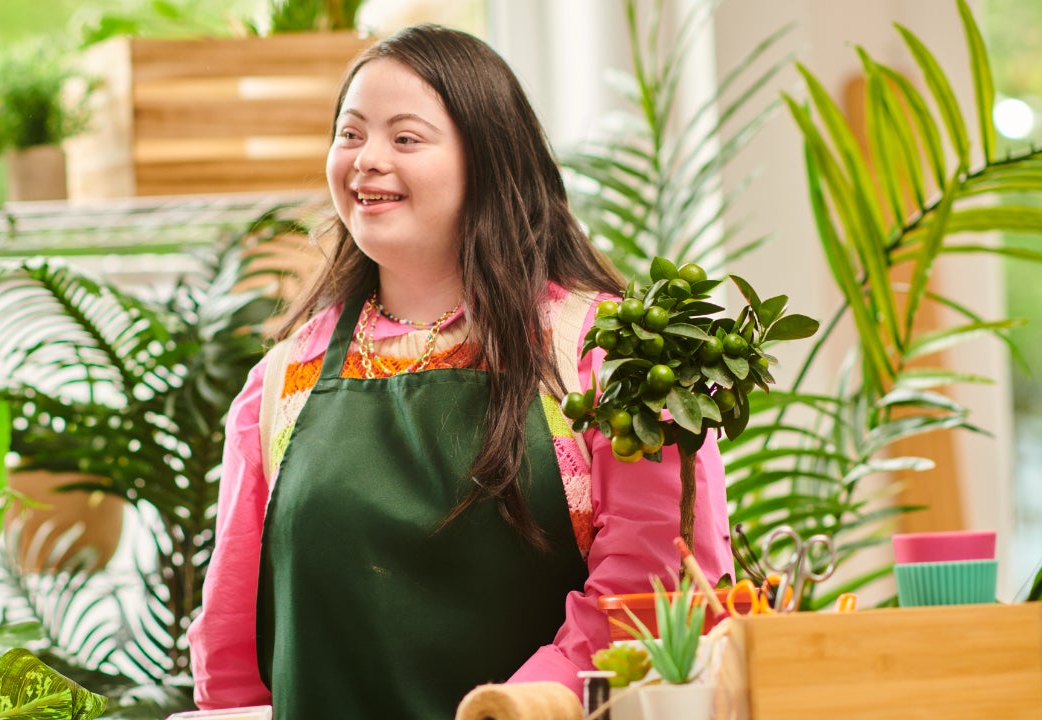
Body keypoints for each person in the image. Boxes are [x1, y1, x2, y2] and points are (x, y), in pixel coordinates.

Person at [187, 23, 731, 720]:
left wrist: (517, 706)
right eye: (350, 134)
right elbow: (234, 653)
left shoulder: (612, 357)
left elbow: (657, 600)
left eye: (405, 138)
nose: (366, 161)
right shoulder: (280, 382)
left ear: (489, 160)